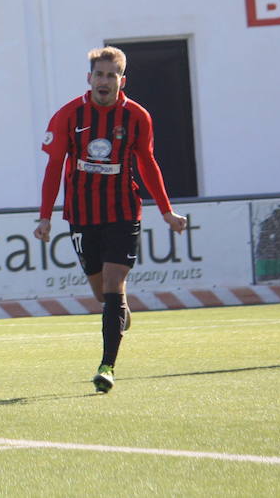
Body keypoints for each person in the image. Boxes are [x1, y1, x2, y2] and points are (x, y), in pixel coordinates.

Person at [34, 45, 187, 393]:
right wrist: (45, 217)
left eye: (111, 75)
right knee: (103, 294)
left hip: (123, 211)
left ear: (122, 80)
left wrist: (166, 211)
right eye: (99, 75)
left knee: (113, 285)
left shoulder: (137, 117)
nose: (104, 81)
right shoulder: (68, 115)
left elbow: (147, 164)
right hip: (81, 214)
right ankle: (118, 310)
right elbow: (54, 167)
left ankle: (107, 366)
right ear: (89, 78)